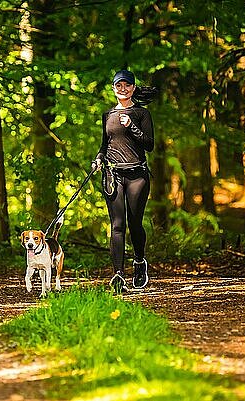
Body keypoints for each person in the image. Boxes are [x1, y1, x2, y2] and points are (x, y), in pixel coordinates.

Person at [91, 69, 156, 292]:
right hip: (114, 175)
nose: (123, 89)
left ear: (133, 88)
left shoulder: (141, 114)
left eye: (127, 85)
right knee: (117, 225)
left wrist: (132, 127)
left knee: (134, 223)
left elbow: (149, 145)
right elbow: (104, 145)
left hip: (137, 175)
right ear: (113, 88)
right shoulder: (107, 115)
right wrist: (98, 159)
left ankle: (139, 262)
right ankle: (118, 275)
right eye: (119, 85)